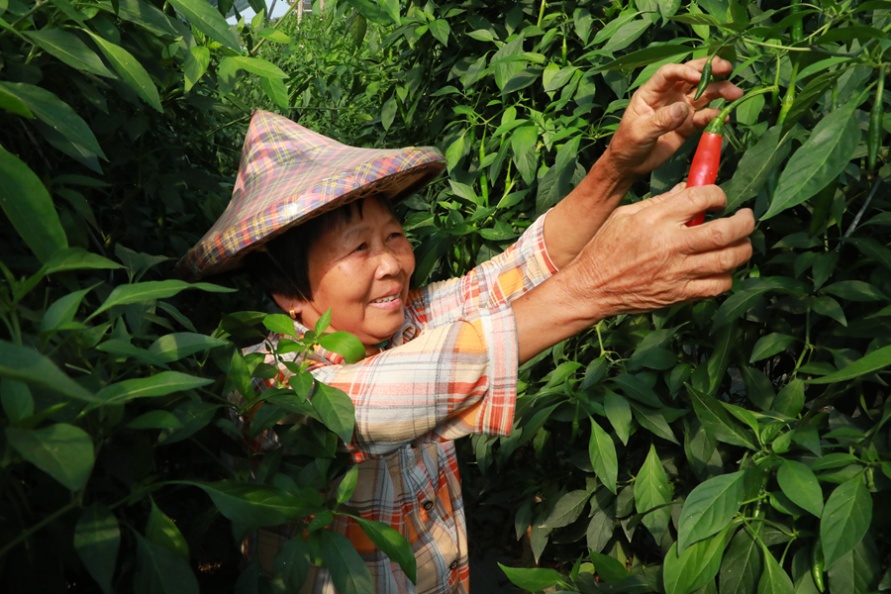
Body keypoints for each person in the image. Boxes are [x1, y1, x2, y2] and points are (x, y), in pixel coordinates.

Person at [178, 57, 755, 593]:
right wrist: (598, 287)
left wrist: (617, 165)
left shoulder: (407, 323)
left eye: (394, 237)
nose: (392, 265)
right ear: (287, 294)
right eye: (358, 249)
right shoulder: (264, 382)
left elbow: (519, 272)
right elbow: (380, 400)